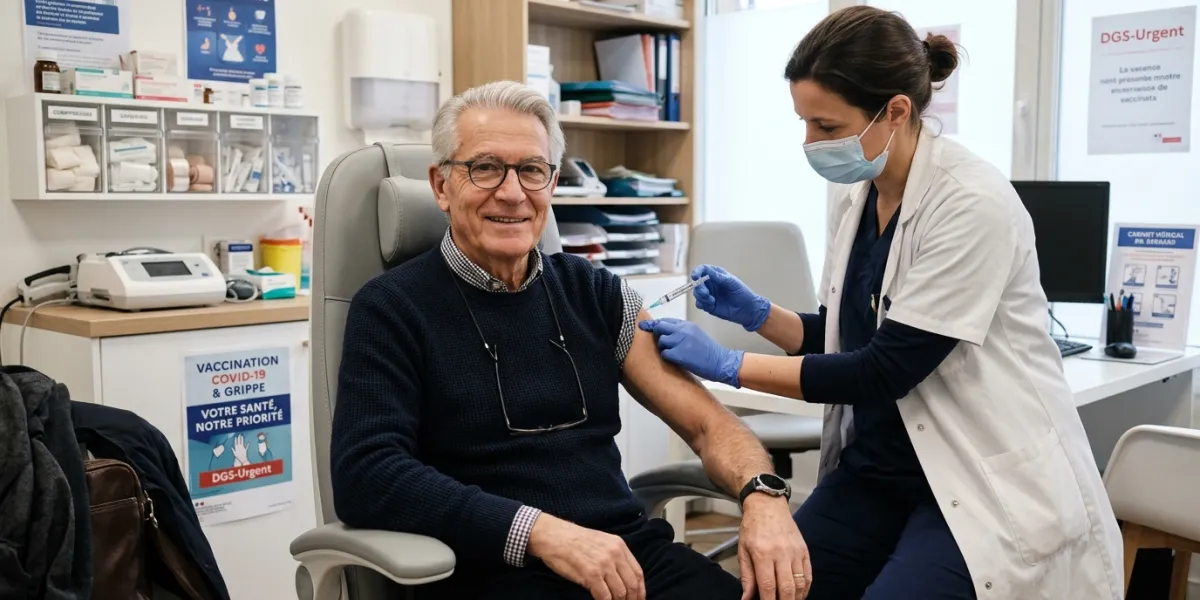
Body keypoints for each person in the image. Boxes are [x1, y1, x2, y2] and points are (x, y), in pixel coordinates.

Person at [638, 7, 1123, 600]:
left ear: (895, 111)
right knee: (776, 588)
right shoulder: (859, 196)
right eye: (804, 123)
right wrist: (762, 316)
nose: (809, 143)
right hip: (878, 471)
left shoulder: (971, 203)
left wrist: (729, 365)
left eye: (826, 126)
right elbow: (853, 337)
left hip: (973, 479)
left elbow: (884, 367)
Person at [331, 80, 811, 600]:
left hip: (623, 557)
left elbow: (707, 424)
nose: (512, 192)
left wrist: (764, 495)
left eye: (532, 170)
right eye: (486, 167)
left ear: (552, 183)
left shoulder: (596, 293)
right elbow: (367, 474)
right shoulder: (390, 308)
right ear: (442, 185)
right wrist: (537, 532)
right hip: (487, 568)